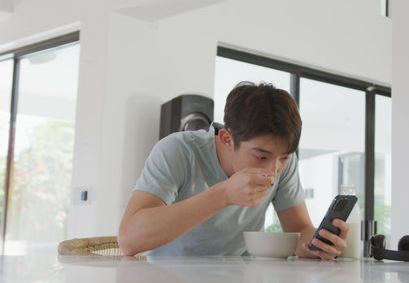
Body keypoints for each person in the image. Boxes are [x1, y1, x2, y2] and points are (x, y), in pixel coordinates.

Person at [117, 81, 348, 260]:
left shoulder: (282, 163)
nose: (273, 170)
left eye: (284, 158)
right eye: (261, 156)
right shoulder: (178, 150)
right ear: (227, 139)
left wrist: (320, 243)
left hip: (239, 282)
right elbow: (129, 240)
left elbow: (298, 230)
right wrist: (224, 194)